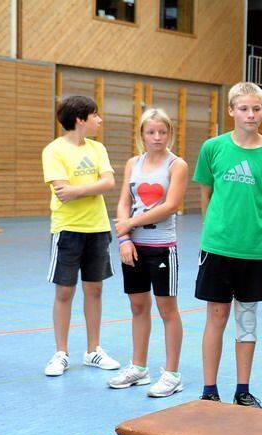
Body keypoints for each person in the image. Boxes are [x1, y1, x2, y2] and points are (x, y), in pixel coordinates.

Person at [193, 82, 262, 408]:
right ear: (231, 110)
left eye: (256, 108)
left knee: (247, 319)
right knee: (216, 317)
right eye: (244, 108)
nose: (251, 114)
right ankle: (209, 390)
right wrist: (217, 227)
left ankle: (242, 389)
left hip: (254, 250)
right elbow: (205, 193)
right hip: (217, 248)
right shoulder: (213, 148)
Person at [107, 108, 189, 398]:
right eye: (151, 132)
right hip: (134, 248)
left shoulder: (176, 165)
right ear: (141, 134)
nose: (157, 137)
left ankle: (172, 374)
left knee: (168, 310)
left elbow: (170, 205)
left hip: (162, 248)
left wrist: (129, 222)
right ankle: (139, 367)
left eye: (162, 132)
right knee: (138, 308)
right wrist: (124, 238)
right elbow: (123, 202)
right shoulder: (133, 163)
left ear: (170, 133)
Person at [42, 95, 120, 377]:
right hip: (67, 230)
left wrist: (77, 190)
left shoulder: (98, 148)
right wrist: (90, 186)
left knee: (94, 289)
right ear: (80, 119)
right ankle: (61, 352)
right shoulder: (53, 151)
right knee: (64, 291)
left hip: (97, 228)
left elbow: (109, 182)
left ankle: (93, 350)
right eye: (95, 115)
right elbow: (61, 192)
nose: (100, 120)